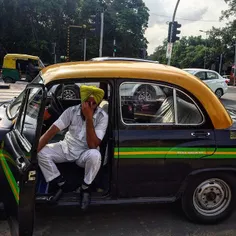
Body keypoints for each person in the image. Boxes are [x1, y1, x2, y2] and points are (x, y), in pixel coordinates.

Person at [37, 85, 108, 210]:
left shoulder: (102, 117)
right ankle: (62, 184)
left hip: (84, 153)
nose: (90, 105)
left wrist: (89, 118)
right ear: (82, 101)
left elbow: (93, 145)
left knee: (95, 155)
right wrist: (32, 153)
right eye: (87, 102)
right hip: (67, 148)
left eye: (94, 103)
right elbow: (51, 132)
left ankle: (85, 188)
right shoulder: (71, 111)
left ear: (97, 104)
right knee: (41, 153)